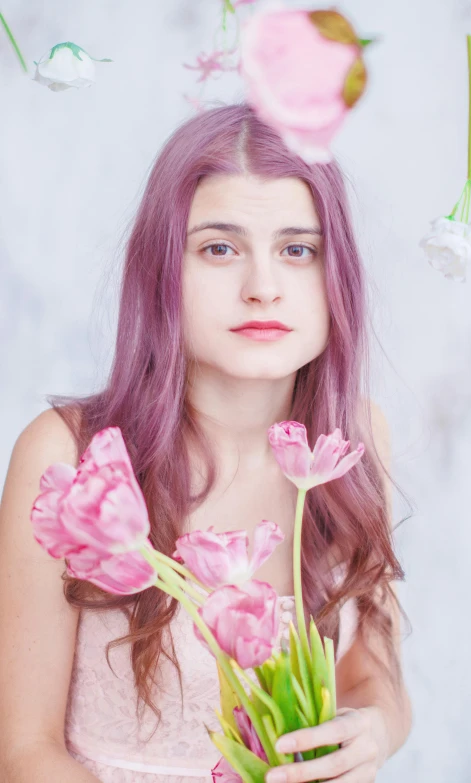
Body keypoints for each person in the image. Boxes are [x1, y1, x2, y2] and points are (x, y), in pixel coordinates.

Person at [0, 102, 412, 783]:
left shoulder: (356, 437)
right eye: (219, 248)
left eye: (297, 249)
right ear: (162, 270)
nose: (262, 288)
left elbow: (376, 674)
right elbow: (23, 752)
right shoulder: (66, 458)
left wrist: (373, 730)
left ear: (335, 276)